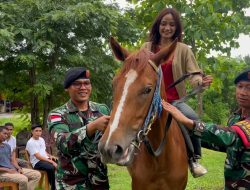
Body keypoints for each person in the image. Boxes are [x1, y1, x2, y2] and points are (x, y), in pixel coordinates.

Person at [141, 7, 213, 177]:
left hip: (174, 101)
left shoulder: (183, 49)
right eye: (164, 24)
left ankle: (193, 159)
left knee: (193, 118)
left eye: (172, 25)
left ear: (177, 28)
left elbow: (194, 73)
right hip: (149, 100)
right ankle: (126, 153)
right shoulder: (146, 47)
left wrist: (200, 82)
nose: (167, 28)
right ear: (158, 25)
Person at [162, 69, 250, 189]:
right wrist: (185, 134)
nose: (243, 92)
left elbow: (230, 136)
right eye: (240, 87)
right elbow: (224, 145)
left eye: (249, 88)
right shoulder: (235, 118)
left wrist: (187, 121)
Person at [47, 67, 110, 190]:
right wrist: (91, 127)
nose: (83, 87)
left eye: (86, 83)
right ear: (67, 88)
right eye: (77, 84)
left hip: (99, 182)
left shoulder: (102, 110)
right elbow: (62, 143)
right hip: (71, 184)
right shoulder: (57, 114)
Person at [0, 126, 41, 190]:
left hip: (12, 169)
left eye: (7, 134)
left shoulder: (7, 146)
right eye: (4, 133)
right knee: (23, 179)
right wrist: (8, 170)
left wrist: (18, 168)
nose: (6, 135)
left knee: (36, 174)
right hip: (2, 173)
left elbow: (12, 160)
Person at [26, 124, 57, 190]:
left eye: (40, 131)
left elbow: (43, 151)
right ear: (32, 132)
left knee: (60, 163)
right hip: (37, 162)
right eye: (36, 131)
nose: (38, 132)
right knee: (51, 167)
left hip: (45, 159)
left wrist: (49, 155)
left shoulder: (41, 139)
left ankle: (61, 184)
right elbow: (38, 156)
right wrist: (51, 161)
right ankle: (54, 188)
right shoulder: (31, 142)